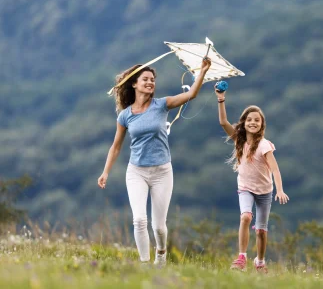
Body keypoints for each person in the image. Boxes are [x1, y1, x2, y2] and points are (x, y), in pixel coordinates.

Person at [97, 58, 212, 266]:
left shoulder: (162, 105)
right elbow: (116, 146)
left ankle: (161, 253)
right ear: (134, 83)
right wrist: (105, 172)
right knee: (139, 220)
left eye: (152, 80)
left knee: (159, 226)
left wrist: (202, 71)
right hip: (136, 172)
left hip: (162, 172)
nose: (150, 83)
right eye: (145, 79)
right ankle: (144, 264)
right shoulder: (125, 116)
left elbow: (191, 94)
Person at [215, 85, 289, 273]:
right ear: (244, 122)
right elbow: (223, 122)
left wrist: (279, 190)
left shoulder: (265, 145)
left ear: (262, 125)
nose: (253, 122)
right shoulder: (239, 140)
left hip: (265, 191)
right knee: (246, 217)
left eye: (257, 120)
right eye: (249, 119)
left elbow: (275, 169)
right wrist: (221, 98)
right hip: (246, 187)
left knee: (261, 231)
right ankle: (241, 257)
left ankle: (260, 261)